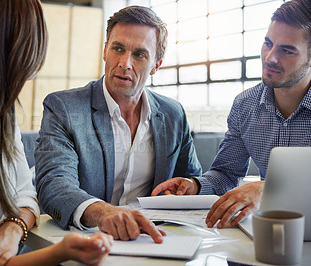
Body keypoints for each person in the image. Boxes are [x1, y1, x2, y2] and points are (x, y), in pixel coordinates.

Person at [0, 0, 113, 265]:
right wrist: (61, 252)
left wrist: (13, 228)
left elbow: (26, 193)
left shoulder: (1, 117)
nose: (31, 73)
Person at [152, 0, 311, 229]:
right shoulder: (245, 105)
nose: (270, 58)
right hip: (270, 233)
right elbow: (226, 174)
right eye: (268, 43)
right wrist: (194, 185)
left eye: (287, 50)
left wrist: (270, 188)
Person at [35, 5, 202, 243]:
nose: (125, 63)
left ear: (156, 65)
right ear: (105, 50)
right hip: (87, 239)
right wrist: (103, 213)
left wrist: (189, 187)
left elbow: (192, 180)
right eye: (118, 48)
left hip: (155, 240)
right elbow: (54, 185)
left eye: (139, 54)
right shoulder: (64, 107)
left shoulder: (173, 113)